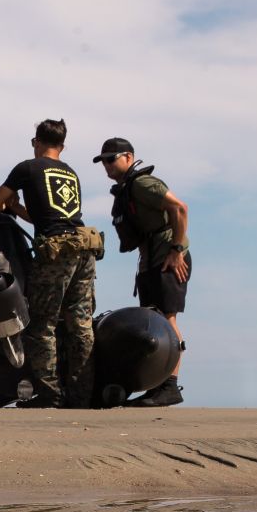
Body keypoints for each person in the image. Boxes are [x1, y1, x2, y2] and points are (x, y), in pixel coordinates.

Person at [0, 119, 101, 409]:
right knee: (80, 324)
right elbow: (49, 216)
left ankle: (51, 395)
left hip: (56, 254)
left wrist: (10, 203)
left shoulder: (27, 168)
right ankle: (81, 395)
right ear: (62, 146)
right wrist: (18, 208)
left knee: (42, 325)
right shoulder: (70, 172)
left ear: (36, 142)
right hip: (84, 248)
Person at [97, 137, 190, 406]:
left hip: (168, 259)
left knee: (167, 321)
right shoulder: (128, 188)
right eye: (103, 161)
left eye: (111, 159)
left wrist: (176, 250)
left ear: (128, 157)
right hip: (153, 260)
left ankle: (169, 386)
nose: (107, 165)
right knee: (155, 320)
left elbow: (179, 208)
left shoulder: (142, 184)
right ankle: (159, 385)